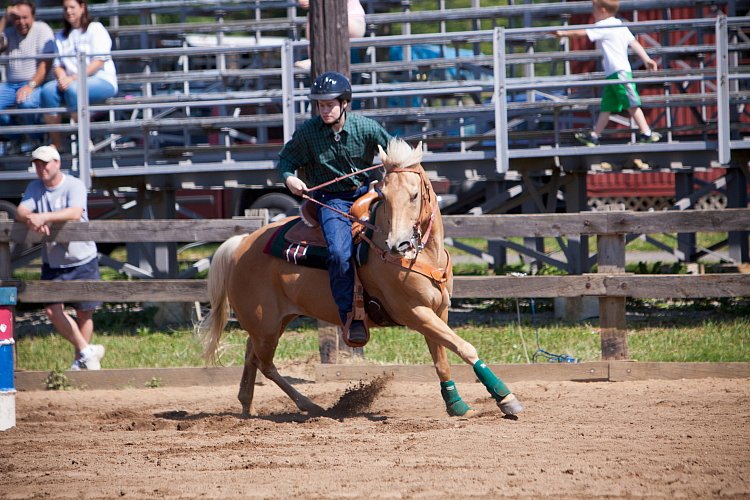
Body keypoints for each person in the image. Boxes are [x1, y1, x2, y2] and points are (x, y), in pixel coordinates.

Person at [277, 71, 391, 345]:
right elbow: (285, 161)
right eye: (320, 105)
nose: (325, 110)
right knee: (340, 254)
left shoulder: (366, 128)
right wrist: (290, 178)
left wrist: (391, 171)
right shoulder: (307, 134)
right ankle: (350, 316)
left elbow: (393, 151)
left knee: (395, 238)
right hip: (332, 200)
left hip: (367, 194)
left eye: (330, 104)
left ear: (344, 103)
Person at [15, 145, 105, 371]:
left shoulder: (74, 184)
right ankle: (86, 351)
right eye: (37, 163)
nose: (41, 168)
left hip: (82, 257)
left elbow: (75, 213)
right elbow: (21, 211)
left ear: (57, 163)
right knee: (52, 310)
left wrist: (44, 217)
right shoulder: (35, 187)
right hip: (54, 261)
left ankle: (80, 361)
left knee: (84, 312)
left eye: (45, 163)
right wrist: (31, 219)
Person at [556, 0, 661, 147]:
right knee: (607, 107)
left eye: (594, 9)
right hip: (614, 73)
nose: (592, 13)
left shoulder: (605, 25)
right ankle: (594, 136)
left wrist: (563, 33)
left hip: (619, 72)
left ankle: (646, 132)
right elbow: (634, 42)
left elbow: (582, 33)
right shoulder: (619, 25)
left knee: (631, 103)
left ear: (603, 10)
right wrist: (646, 59)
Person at [40, 0, 117, 151]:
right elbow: (58, 65)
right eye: (65, 8)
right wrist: (62, 77)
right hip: (70, 82)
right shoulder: (61, 36)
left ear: (82, 7)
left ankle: (85, 139)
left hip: (101, 80)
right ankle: (56, 143)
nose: (69, 11)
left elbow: (99, 62)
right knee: (47, 92)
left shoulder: (95, 28)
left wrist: (72, 78)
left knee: (74, 90)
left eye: (72, 7)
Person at [0, 0, 55, 153]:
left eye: (25, 17)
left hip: (35, 83)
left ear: (33, 17)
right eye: (17, 18)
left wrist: (30, 85)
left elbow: (46, 63)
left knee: (26, 103)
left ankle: (37, 137)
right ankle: (17, 138)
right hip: (10, 85)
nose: (21, 22)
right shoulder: (9, 32)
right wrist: (4, 19)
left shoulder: (42, 29)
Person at [294, 0, 366, 70]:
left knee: (318, 15)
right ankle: (314, 58)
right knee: (315, 14)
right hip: (338, 22)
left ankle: (314, 59)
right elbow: (304, 3)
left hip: (353, 21)